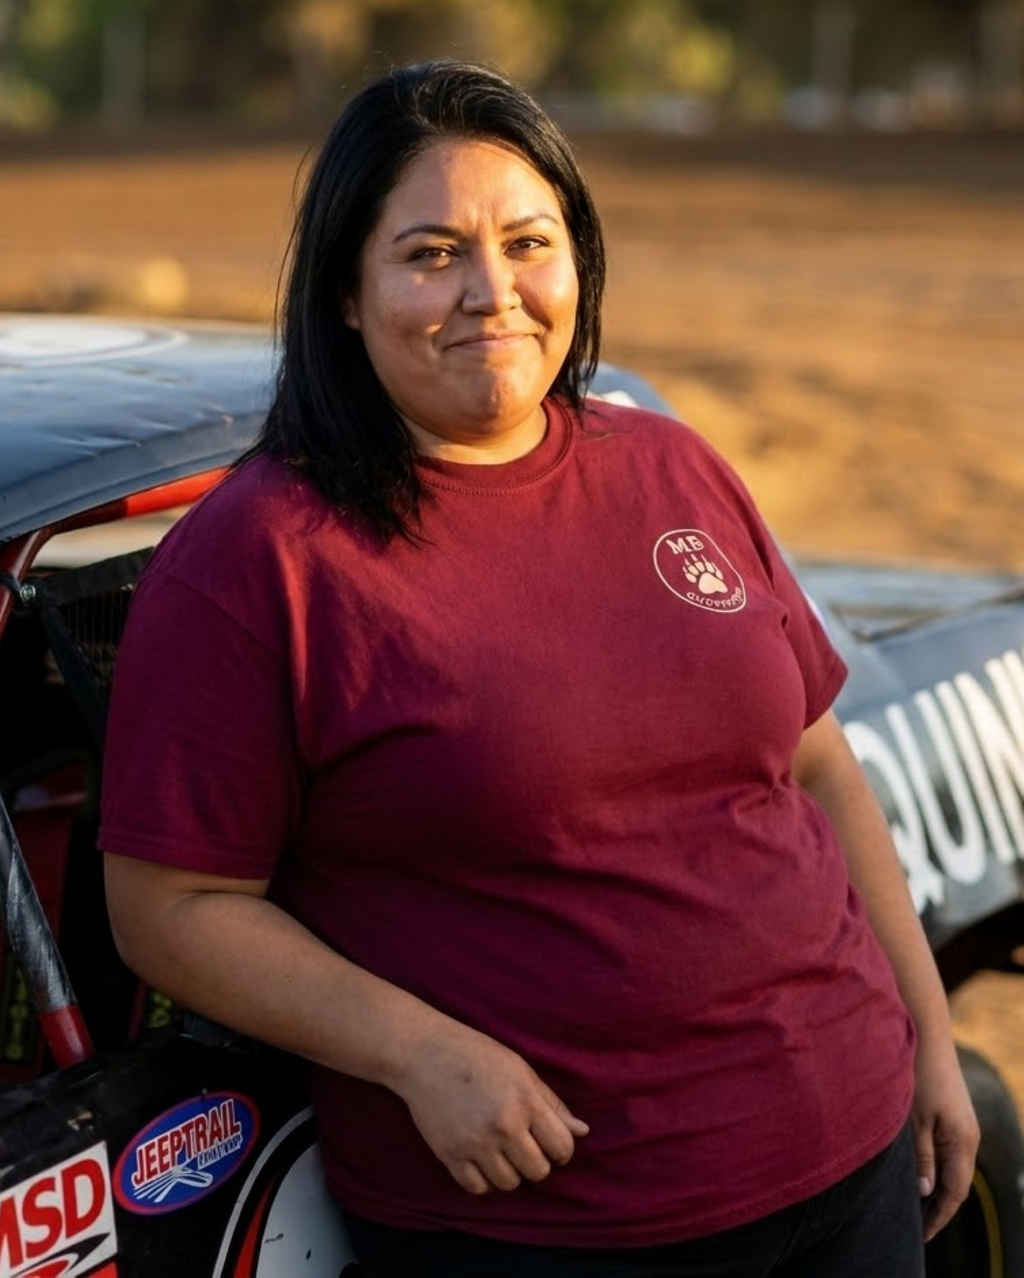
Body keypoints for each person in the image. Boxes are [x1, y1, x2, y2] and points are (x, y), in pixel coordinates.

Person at [100, 59, 979, 1277]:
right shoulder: (257, 562)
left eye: (528, 242)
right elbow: (172, 910)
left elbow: (817, 765)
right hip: (550, 1222)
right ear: (346, 296)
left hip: (848, 1156)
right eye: (429, 254)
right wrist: (418, 1054)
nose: (491, 294)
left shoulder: (669, 466)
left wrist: (924, 1036)